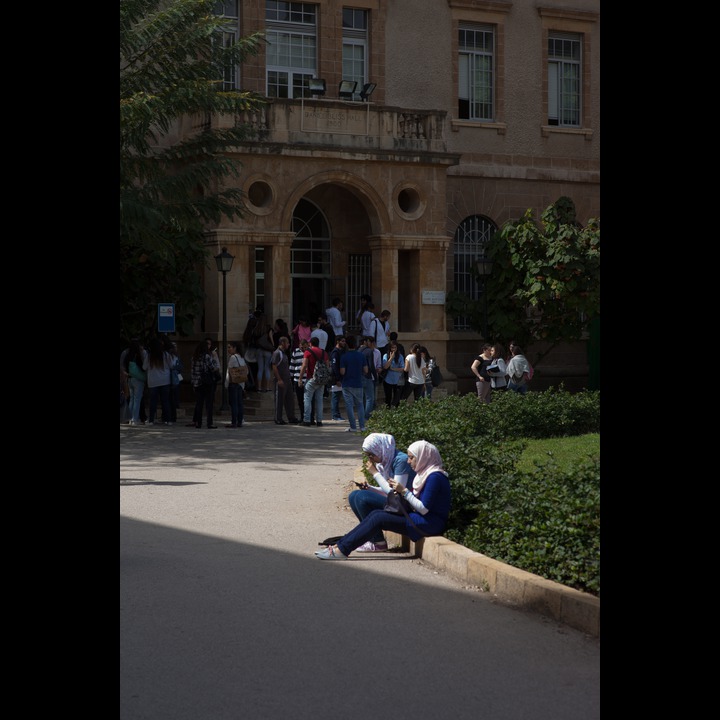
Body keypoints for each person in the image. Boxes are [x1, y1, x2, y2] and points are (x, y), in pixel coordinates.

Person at [315, 440, 451, 560]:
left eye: (411, 458)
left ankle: (342, 550)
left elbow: (424, 509)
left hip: (429, 523)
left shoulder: (435, 477)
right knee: (376, 515)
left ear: (423, 457)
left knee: (379, 518)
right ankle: (339, 546)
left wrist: (403, 491)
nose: (408, 461)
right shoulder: (426, 474)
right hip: (419, 518)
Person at [345, 433, 417, 553]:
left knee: (362, 498)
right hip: (397, 503)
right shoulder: (385, 461)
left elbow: (395, 494)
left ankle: (378, 542)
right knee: (354, 496)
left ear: (380, 449)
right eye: (368, 455)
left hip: (406, 506)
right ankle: (374, 539)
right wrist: (370, 488)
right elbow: (387, 491)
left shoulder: (401, 461)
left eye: (372, 455)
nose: (370, 459)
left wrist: (375, 473)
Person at [339, 334, 368, 433]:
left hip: (347, 383)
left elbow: (342, 372)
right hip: (358, 383)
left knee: (349, 405)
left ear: (347, 344)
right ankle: (362, 426)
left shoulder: (344, 357)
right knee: (360, 405)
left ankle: (353, 427)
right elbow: (366, 370)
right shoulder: (361, 356)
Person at [298, 336, 328, 427]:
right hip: (321, 380)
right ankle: (319, 421)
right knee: (319, 400)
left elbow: (304, 365)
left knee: (307, 399)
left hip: (311, 378)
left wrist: (300, 378)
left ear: (310, 343)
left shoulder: (308, 352)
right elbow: (327, 366)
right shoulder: (324, 352)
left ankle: (306, 420)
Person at [190, 339, 220, 428]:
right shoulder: (206, 356)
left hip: (197, 382)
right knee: (209, 404)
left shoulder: (194, 357)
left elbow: (192, 371)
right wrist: (214, 359)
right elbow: (213, 368)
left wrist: (193, 382)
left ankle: (198, 422)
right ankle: (209, 423)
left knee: (199, 403)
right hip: (206, 382)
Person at [143, 337, 173, 425]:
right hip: (165, 381)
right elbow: (171, 366)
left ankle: (151, 420)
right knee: (165, 401)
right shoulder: (166, 355)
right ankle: (167, 420)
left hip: (153, 382)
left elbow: (144, 367)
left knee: (153, 401)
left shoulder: (149, 356)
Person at [271, 336, 300, 425]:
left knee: (290, 399)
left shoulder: (284, 354)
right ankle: (278, 418)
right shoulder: (277, 353)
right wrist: (279, 379)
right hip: (281, 380)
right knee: (279, 399)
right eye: (287, 342)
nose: (288, 344)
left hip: (287, 380)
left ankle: (291, 417)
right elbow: (274, 366)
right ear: (283, 343)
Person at [124, 338, 147, 426]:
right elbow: (143, 367)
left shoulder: (128, 355)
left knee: (132, 400)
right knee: (137, 399)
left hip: (130, 379)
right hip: (138, 380)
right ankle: (134, 419)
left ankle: (130, 419)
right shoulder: (138, 356)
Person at [224, 340, 247, 428]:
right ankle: (240, 421)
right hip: (240, 383)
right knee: (239, 403)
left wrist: (226, 383)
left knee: (234, 403)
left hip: (233, 383)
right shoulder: (241, 357)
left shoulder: (233, 358)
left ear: (235, 348)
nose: (228, 349)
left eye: (230, 347)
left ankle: (234, 422)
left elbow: (228, 372)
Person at [252, 311, 275, 392]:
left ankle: (259, 387)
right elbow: (271, 338)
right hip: (267, 350)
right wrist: (272, 347)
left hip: (259, 350)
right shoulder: (268, 328)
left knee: (260, 369)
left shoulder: (256, 328)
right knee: (267, 369)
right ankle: (268, 387)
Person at [360, 335, 381, 420]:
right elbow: (371, 366)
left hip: (361, 376)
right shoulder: (368, 351)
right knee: (370, 398)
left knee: (365, 398)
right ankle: (367, 416)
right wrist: (375, 377)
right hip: (368, 376)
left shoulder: (359, 350)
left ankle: (364, 415)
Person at [290, 337, 310, 422]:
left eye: (305, 347)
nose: (303, 349)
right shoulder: (295, 352)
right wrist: (291, 377)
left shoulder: (309, 352)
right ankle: (302, 417)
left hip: (307, 379)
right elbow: (292, 365)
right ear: (299, 346)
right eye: (302, 347)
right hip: (297, 378)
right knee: (300, 399)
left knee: (307, 400)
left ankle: (308, 417)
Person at [381, 340, 404, 408]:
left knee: (397, 399)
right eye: (392, 348)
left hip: (397, 381)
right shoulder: (385, 356)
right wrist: (391, 358)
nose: (393, 349)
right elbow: (385, 366)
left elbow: (402, 368)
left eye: (395, 348)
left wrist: (393, 369)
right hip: (388, 380)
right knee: (388, 398)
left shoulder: (400, 356)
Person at [329, 335, 346, 421]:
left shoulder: (341, 351)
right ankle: (335, 415)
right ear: (338, 341)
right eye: (342, 341)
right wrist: (338, 379)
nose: (344, 343)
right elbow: (334, 366)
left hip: (340, 378)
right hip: (336, 378)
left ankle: (337, 414)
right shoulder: (335, 352)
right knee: (335, 397)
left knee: (338, 396)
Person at [166, 339, 184, 423]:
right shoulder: (167, 356)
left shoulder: (178, 357)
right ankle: (169, 415)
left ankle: (174, 414)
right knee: (169, 398)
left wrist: (175, 369)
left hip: (177, 379)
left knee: (175, 397)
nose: (174, 349)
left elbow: (180, 367)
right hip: (169, 379)